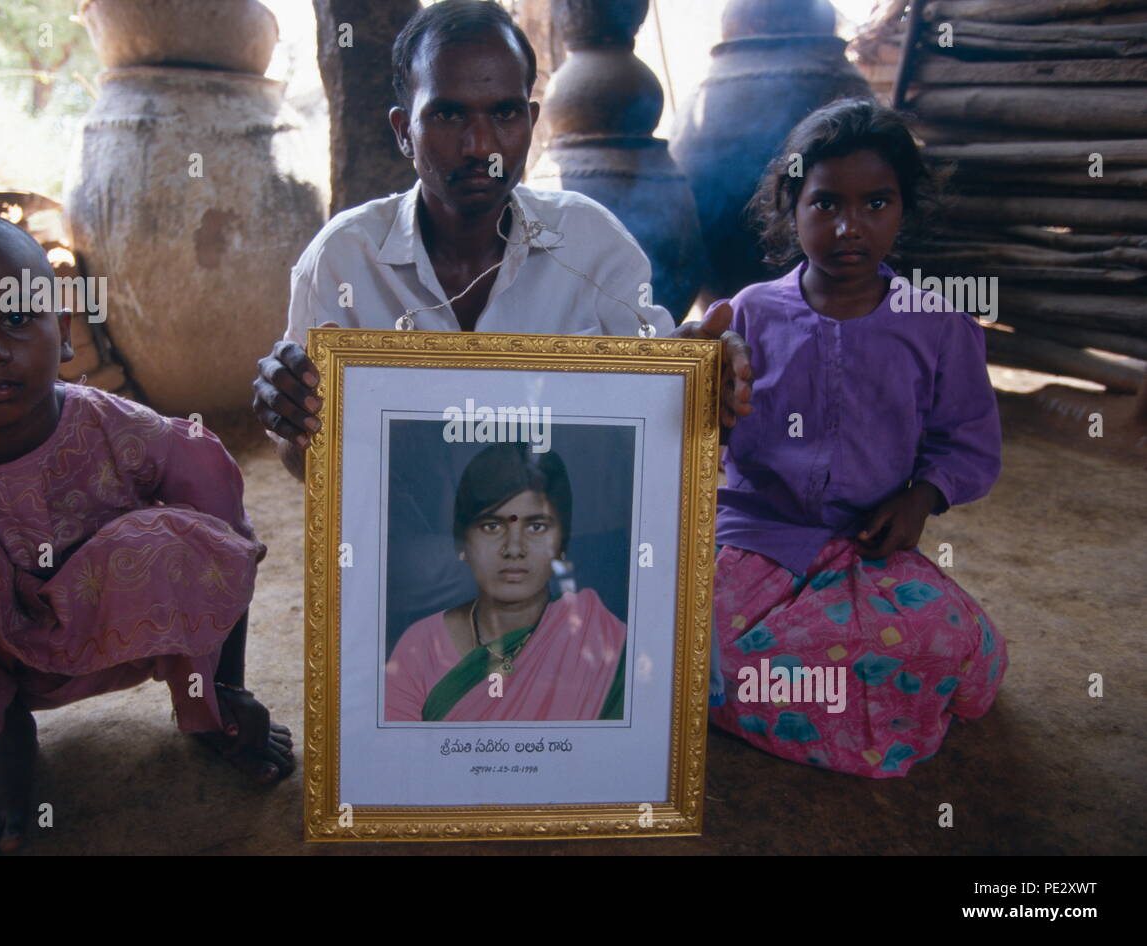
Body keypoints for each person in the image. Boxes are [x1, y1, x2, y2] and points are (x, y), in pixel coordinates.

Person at [0, 211, 293, 855]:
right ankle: (6, 740)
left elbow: (222, 549)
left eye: (18, 317)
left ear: (62, 331)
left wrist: (225, 684)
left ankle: (207, 707)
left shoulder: (118, 429)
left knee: (193, 485)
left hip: (124, 640)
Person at [252, 0, 753, 482]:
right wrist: (291, 421)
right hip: (402, 553)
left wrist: (702, 383)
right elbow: (308, 466)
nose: (482, 146)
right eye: (449, 116)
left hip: (555, 553)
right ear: (405, 132)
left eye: (505, 114)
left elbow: (658, 412)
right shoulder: (343, 261)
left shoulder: (594, 248)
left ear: (533, 122)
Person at [708, 99, 1008, 777]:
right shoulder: (747, 314)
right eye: (825, 204)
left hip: (868, 552)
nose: (849, 227)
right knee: (699, 646)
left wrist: (922, 497)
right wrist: (710, 384)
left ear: (904, 210)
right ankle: (847, 703)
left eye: (876, 203)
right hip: (752, 542)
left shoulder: (937, 325)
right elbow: (693, 423)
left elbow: (967, 441)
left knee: (943, 638)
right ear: (791, 206)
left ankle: (775, 698)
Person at [385, 443, 625, 722]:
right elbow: (399, 759)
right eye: (492, 526)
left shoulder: (602, 642)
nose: (513, 548)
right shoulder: (420, 648)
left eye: (536, 527)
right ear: (463, 544)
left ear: (562, 543)